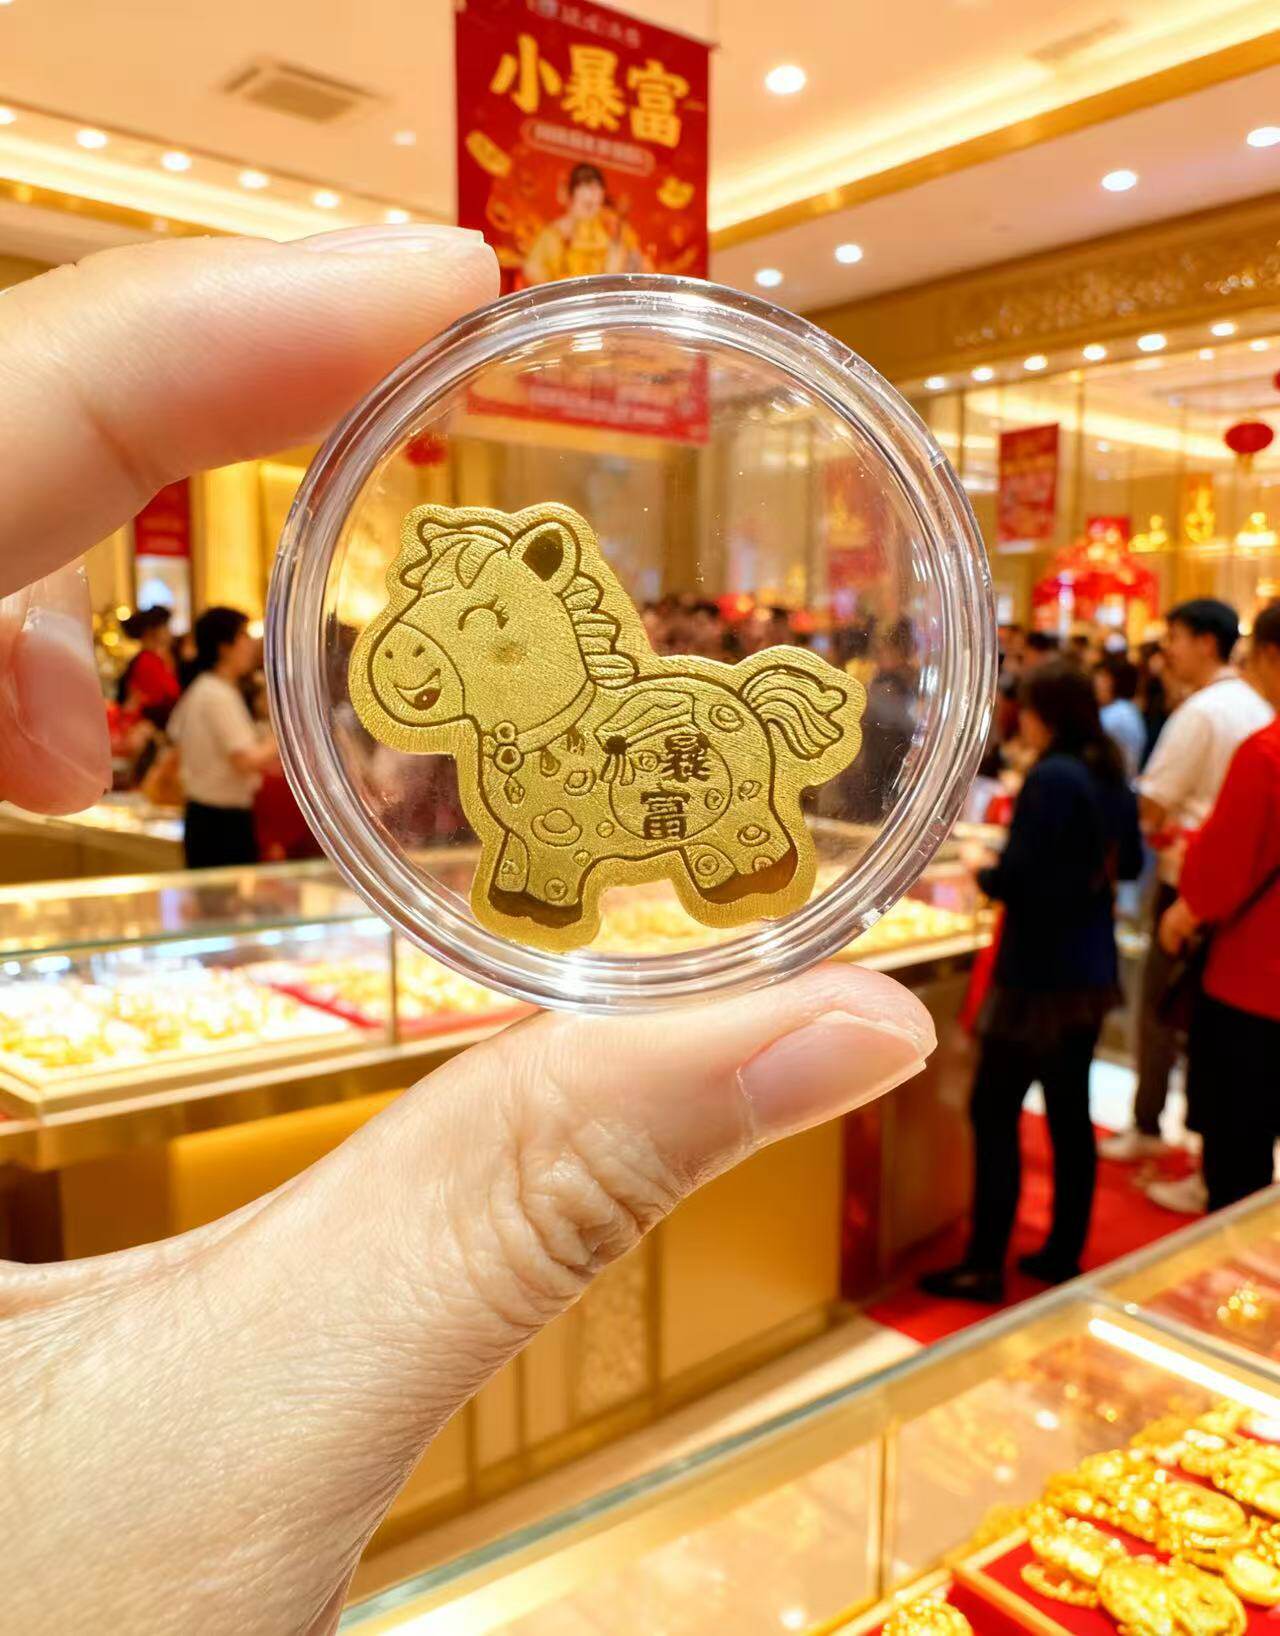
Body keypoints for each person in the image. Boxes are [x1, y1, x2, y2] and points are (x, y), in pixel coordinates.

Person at [0, 229, 936, 1629]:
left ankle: (730, 831)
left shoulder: (627, 705)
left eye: (485, 638)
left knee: (715, 829)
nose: (438, 661)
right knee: (543, 858)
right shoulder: (497, 757)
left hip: (696, 797)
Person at [921, 661, 1142, 1302]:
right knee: (1070, 1116)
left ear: (1043, 713)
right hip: (1089, 967)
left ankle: (984, 1263)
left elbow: (1021, 880)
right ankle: (1062, 1252)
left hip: (1037, 976)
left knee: (993, 1110)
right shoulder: (1108, 770)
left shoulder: (1052, 776)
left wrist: (982, 870)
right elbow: (1128, 862)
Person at [1101, 599, 1273, 1205]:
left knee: (1175, 1022)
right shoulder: (1256, 711)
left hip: (1214, 907)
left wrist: (1187, 902)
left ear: (1205, 641)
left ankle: (1163, 1137)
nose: (1165, 650)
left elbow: (1156, 808)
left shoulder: (1212, 717)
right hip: (1248, 909)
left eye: (1173, 636)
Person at [1159, 601, 1280, 1211]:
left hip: (1253, 982)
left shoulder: (1266, 752)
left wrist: (1183, 909)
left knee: (1238, 1157)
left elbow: (1219, 874)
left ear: (1272, 656)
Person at [168, 605, 278, 867]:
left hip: (210, 818)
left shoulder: (208, 689)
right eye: (243, 636)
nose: (250, 644)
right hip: (219, 822)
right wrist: (285, 739)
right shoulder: (216, 695)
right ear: (224, 647)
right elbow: (245, 760)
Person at [522, 162, 645, 285]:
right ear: (572, 194)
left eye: (597, 189)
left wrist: (616, 243)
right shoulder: (553, 234)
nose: (592, 195)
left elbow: (637, 268)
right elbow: (533, 270)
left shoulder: (615, 229)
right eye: (585, 187)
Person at [119, 604, 180, 725]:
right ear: (152, 631)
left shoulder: (156, 659)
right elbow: (158, 701)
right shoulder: (146, 661)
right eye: (166, 626)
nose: (170, 632)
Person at [1094, 654, 1145, 780]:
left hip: (1118, 782)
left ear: (1114, 682)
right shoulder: (1125, 709)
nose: (1096, 685)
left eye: (1103, 679)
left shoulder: (1119, 713)